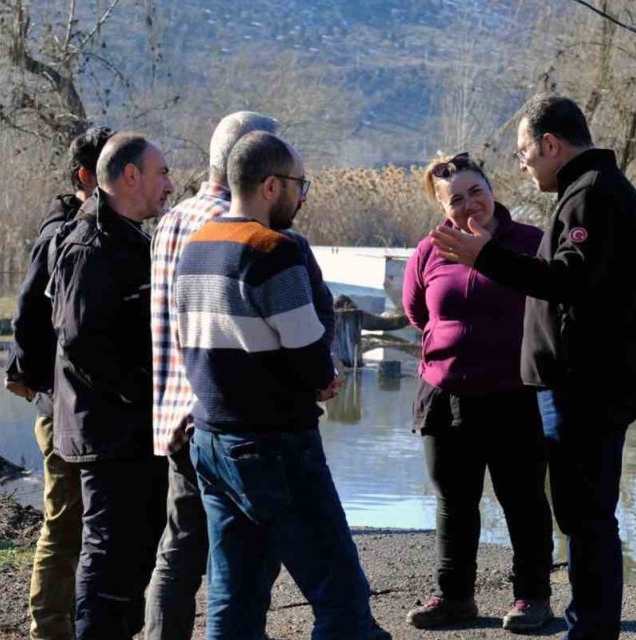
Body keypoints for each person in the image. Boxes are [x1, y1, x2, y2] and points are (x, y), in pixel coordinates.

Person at [430, 95, 636, 640]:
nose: (523, 163)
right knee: (582, 515)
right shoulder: (588, 191)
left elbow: (567, 281)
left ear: (551, 144)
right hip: (583, 385)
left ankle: (590, 630)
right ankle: (589, 626)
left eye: (525, 151)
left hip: (586, 388)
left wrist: (485, 257)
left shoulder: (592, 196)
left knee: (586, 517)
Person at [175, 131, 385, 640]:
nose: (302, 194)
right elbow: (310, 353)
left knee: (234, 601)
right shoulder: (272, 250)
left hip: (211, 441)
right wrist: (325, 377)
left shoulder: (196, 246)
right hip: (275, 446)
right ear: (271, 186)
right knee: (342, 600)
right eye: (298, 184)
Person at [402, 152, 554, 632]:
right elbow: (417, 314)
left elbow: (552, 305)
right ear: (443, 207)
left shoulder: (530, 243)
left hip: (515, 395)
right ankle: (454, 599)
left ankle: (532, 597)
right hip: (446, 396)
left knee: (524, 500)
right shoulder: (429, 250)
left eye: (476, 192)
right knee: (454, 502)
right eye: (456, 199)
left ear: (492, 190)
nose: (469, 205)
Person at [145, 111, 283, 640]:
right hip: (225, 413)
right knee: (247, 549)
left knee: (180, 548)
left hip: (175, 411)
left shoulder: (173, 219)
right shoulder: (243, 226)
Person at [49, 131, 173, 639]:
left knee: (135, 552)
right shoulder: (90, 244)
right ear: (130, 176)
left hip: (133, 431)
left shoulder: (129, 236)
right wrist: (140, 390)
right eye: (161, 173)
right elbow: (80, 342)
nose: (169, 184)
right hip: (107, 433)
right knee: (107, 557)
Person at [5, 124, 112, 640]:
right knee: (65, 521)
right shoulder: (62, 234)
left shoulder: (95, 226)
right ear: (85, 176)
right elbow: (28, 310)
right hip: (60, 403)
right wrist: (25, 373)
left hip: (75, 402)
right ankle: (48, 628)